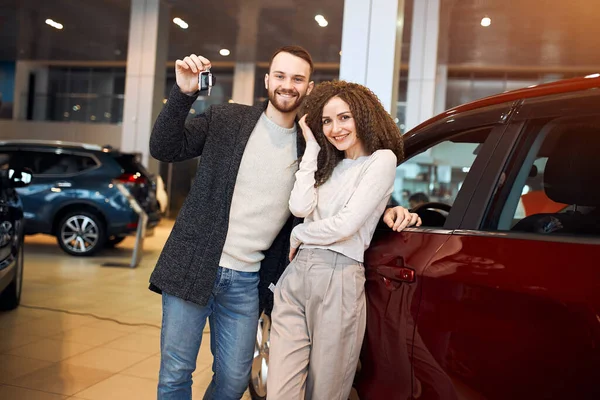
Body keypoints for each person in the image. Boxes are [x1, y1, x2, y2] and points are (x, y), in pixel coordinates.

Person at [149, 46, 420, 400]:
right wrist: (184, 93)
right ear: (267, 80)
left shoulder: (314, 148)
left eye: (297, 78)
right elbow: (164, 148)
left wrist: (385, 211)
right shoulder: (227, 120)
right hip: (194, 264)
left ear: (309, 88)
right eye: (280, 76)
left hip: (247, 280)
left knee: (233, 381)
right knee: (175, 374)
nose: (287, 85)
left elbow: (347, 188)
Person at [267, 81, 421, 400]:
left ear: (363, 117)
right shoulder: (329, 164)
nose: (335, 129)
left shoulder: (381, 160)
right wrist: (311, 150)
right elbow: (299, 206)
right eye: (327, 121)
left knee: (325, 392)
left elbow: (346, 224)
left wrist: (300, 233)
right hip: (296, 280)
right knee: (280, 392)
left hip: (337, 277)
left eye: (344, 118)